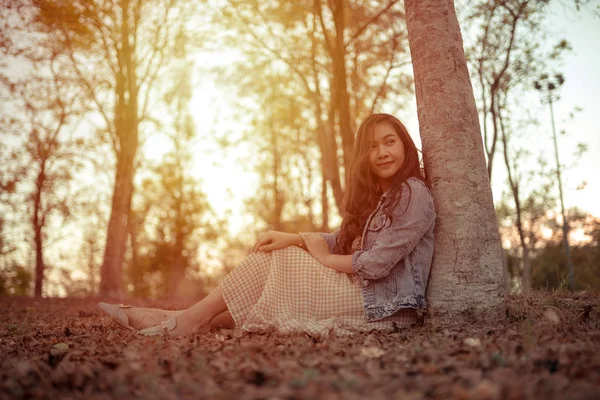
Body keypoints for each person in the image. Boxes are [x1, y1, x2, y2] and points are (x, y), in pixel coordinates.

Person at [98, 113, 436, 337]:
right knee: (278, 262)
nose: (381, 152)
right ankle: (177, 317)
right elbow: (340, 239)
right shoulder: (383, 196)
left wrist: (323, 259)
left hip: (386, 309)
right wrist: (296, 237)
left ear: (405, 145)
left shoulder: (412, 193)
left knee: (280, 261)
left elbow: (376, 264)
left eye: (389, 142)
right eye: (372, 146)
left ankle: (185, 319)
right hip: (369, 297)